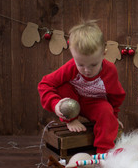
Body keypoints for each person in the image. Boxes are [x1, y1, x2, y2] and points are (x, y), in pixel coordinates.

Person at [38, 20, 126, 154]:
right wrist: (56, 105)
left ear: (104, 53)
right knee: (62, 85)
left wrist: (113, 116)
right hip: (72, 101)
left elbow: (116, 96)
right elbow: (45, 84)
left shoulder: (110, 71)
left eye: (93, 65)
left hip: (94, 103)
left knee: (106, 110)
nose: (86, 70)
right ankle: (71, 120)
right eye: (81, 64)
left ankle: (104, 154)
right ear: (73, 55)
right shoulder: (71, 67)